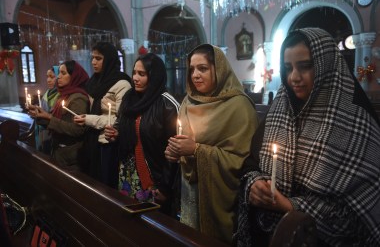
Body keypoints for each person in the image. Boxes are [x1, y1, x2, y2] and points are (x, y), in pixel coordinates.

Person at [235, 28, 380, 246]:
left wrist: (292, 207)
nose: (294, 77)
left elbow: (358, 215)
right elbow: (251, 164)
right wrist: (255, 184)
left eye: (305, 66)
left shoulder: (354, 122)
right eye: (288, 68)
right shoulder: (279, 111)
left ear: (326, 66)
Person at [164, 44, 259, 244]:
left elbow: (243, 163)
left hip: (221, 198)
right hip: (187, 193)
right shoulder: (188, 103)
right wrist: (175, 153)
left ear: (220, 69)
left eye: (203, 68)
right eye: (191, 69)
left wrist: (197, 150)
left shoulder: (239, 106)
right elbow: (182, 146)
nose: (195, 75)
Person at [104, 53, 180, 216]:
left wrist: (165, 186)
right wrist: (116, 133)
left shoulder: (167, 104)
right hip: (128, 174)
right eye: (134, 73)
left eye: (142, 74)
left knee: (154, 227)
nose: (135, 78)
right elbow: (124, 126)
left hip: (154, 179)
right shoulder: (129, 98)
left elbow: (174, 150)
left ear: (154, 76)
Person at [73, 42, 132, 188]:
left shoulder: (122, 83)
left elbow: (119, 120)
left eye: (98, 58)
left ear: (109, 59)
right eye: (92, 58)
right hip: (91, 140)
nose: (93, 62)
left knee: (106, 185)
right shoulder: (93, 82)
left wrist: (88, 119)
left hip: (108, 143)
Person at [28, 60, 89, 171]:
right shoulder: (63, 95)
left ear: (74, 76)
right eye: (59, 73)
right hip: (59, 153)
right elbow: (54, 122)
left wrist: (50, 118)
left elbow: (77, 129)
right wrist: (39, 115)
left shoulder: (79, 98)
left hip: (71, 157)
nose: (59, 77)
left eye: (63, 73)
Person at [34, 66, 60, 154]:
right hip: (43, 131)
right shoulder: (46, 93)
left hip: (53, 132)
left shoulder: (61, 95)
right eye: (47, 77)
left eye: (52, 77)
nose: (48, 80)